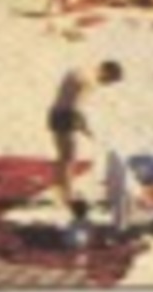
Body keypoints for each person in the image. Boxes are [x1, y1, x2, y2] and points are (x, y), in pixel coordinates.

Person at [46, 60, 125, 209]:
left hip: (57, 114)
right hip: (66, 116)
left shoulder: (79, 69)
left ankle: (62, 192)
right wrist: (84, 126)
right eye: (108, 81)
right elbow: (76, 105)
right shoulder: (90, 80)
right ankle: (66, 196)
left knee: (63, 157)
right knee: (68, 158)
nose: (105, 84)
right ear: (107, 72)